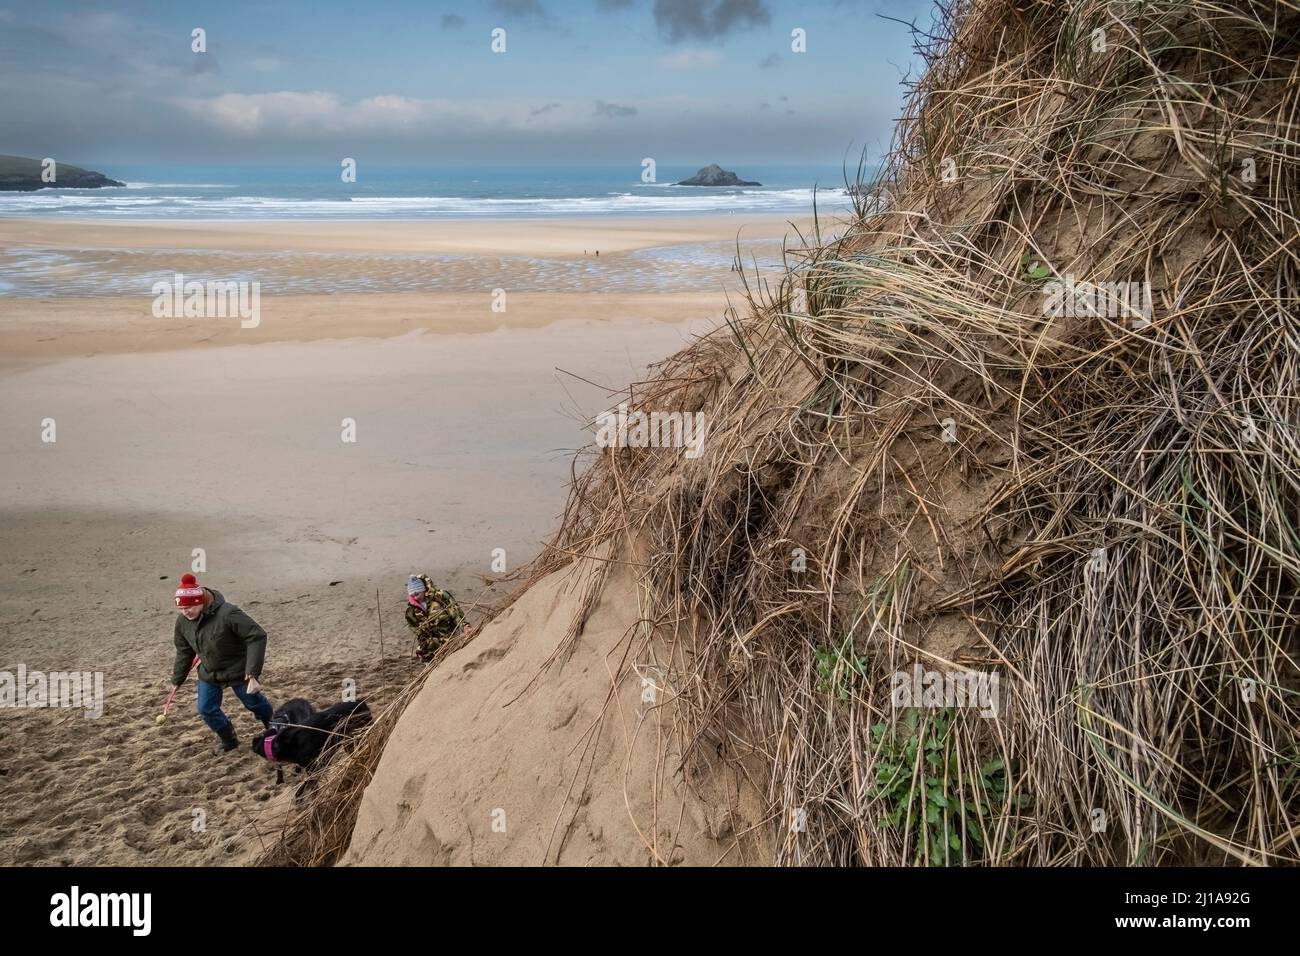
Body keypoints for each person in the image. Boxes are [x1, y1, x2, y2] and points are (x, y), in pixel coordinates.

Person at [168, 573, 274, 754]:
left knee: (254, 704)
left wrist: (252, 671)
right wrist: (177, 679)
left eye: (190, 607)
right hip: (209, 672)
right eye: (182, 608)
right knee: (206, 709)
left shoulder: (228, 613)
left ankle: (273, 724)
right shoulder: (183, 622)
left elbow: (256, 635)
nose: (186, 612)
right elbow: (185, 652)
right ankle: (228, 736)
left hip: (239, 670)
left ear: (200, 601)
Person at [404, 573, 465, 661]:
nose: (415, 598)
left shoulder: (439, 597)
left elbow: (456, 613)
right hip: (432, 644)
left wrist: (465, 625)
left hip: (450, 637)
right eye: (412, 595)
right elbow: (418, 632)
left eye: (417, 594)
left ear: (423, 590)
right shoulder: (412, 611)